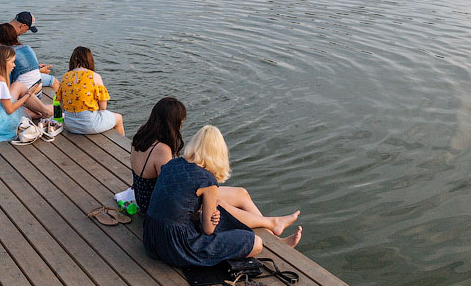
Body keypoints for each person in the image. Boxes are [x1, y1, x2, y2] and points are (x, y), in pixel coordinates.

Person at [143, 125, 302, 268]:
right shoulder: (207, 180)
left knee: (221, 209)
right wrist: (212, 220)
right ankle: (273, 234)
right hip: (176, 246)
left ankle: (274, 234)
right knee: (255, 243)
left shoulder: (172, 164)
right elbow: (208, 230)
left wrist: (203, 215)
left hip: (152, 238)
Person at [130, 97, 186, 214]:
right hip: (153, 207)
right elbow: (167, 187)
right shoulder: (162, 149)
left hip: (141, 199)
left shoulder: (141, 135)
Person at [57, 46, 123, 136]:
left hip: (70, 125)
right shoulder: (94, 76)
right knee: (118, 118)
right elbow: (103, 107)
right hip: (90, 125)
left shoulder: (65, 76)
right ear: (89, 60)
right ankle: (124, 149)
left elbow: (61, 105)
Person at [0, 23, 52, 120]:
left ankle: (37, 113)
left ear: (0, 39)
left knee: (4, 109)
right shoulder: (28, 48)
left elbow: (7, 82)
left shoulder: (8, 55)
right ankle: (47, 110)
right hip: (38, 94)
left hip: (25, 96)